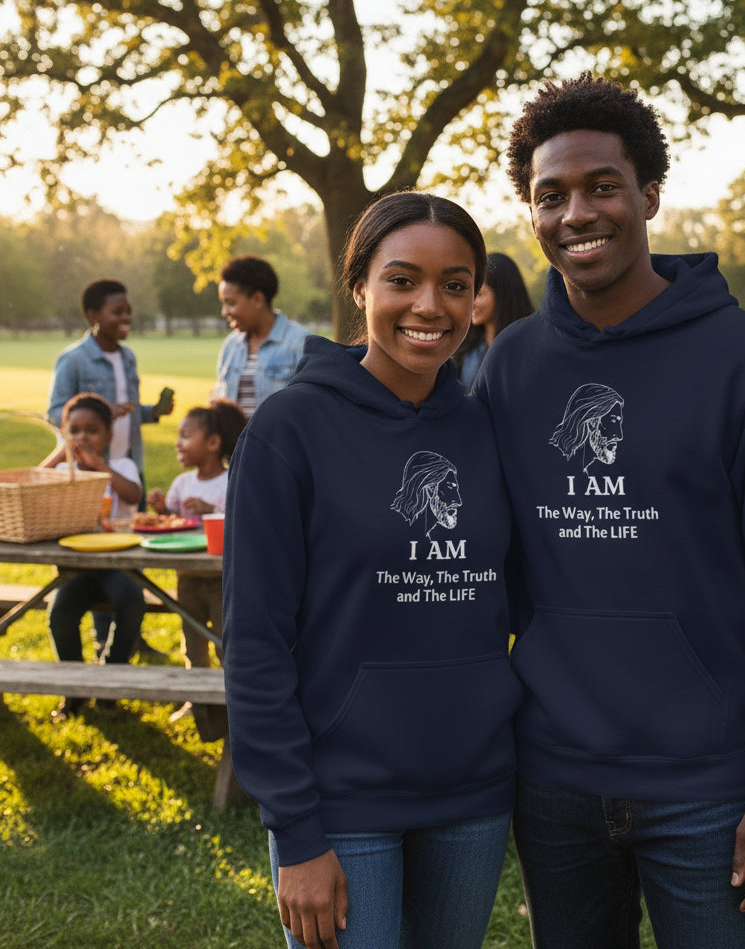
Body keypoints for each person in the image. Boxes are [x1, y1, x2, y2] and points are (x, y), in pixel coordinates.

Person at [473, 73, 745, 949]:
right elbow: (487, 566)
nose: (576, 213)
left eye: (602, 185)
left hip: (709, 783)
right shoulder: (511, 369)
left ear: (649, 194)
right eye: (549, 195)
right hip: (553, 776)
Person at [222, 192, 521, 949]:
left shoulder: (490, 429)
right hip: (339, 801)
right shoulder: (290, 430)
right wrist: (295, 828)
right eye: (402, 280)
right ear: (359, 287)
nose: (431, 304)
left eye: (456, 284)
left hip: (474, 793)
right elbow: (255, 641)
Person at [46, 277, 172, 659]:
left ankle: (128, 629)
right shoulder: (74, 359)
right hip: (86, 470)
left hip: (125, 465)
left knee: (125, 545)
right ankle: (106, 639)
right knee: (97, 546)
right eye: (117, 311)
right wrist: (101, 413)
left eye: (128, 311)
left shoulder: (128, 356)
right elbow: (57, 413)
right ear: (93, 315)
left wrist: (152, 412)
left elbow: (129, 411)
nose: (126, 317)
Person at [41, 394, 147, 720]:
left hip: (120, 567)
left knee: (131, 602)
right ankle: (75, 689)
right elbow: (35, 478)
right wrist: (62, 452)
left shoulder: (121, 466)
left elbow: (134, 494)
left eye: (92, 430)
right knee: (60, 613)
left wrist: (101, 467)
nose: (83, 437)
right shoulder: (63, 472)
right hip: (79, 569)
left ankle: (110, 680)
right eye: (74, 430)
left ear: (109, 435)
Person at [146, 398, 247, 739]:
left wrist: (208, 508)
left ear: (213, 443)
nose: (177, 442)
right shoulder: (182, 483)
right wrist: (160, 506)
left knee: (223, 639)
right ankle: (197, 699)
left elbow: (238, 517)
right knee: (192, 638)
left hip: (221, 578)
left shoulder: (233, 479)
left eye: (186, 434)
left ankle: (232, 698)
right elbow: (171, 519)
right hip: (187, 576)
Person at [213, 255, 311, 418]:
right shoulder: (231, 345)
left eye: (230, 303)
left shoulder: (301, 343)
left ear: (257, 299)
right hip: (237, 444)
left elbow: (312, 408)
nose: (224, 312)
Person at [453, 251, 533, 388]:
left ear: (502, 295)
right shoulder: (465, 347)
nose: (470, 302)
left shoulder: (533, 347)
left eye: (479, 294)